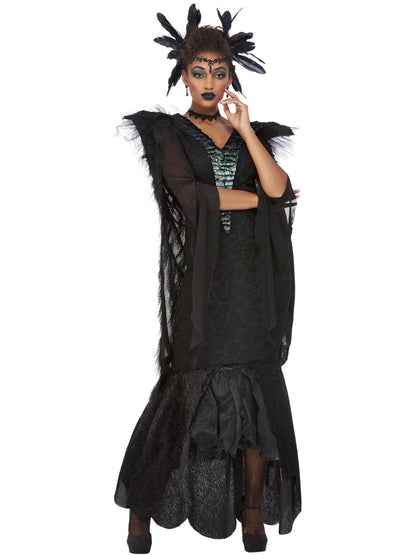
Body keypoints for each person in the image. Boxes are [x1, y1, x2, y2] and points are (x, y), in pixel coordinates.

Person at [114, 4, 302, 553]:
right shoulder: (168, 132)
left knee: (257, 389)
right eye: (199, 72)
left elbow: (279, 186)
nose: (210, 83)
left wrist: (246, 132)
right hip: (204, 282)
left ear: (231, 76)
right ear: (183, 75)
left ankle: (252, 511)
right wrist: (261, 202)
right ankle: (143, 506)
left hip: (252, 280)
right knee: (184, 390)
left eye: (220, 73)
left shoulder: (251, 134)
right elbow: (191, 197)